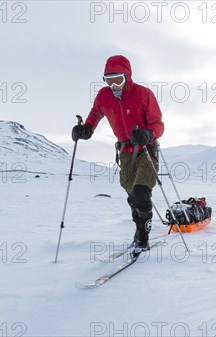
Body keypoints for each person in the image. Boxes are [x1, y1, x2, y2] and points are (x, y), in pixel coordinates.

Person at [71, 55, 164, 253]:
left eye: (118, 80)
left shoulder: (143, 94)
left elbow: (158, 124)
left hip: (146, 150)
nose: (114, 85)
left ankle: (143, 238)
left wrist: (149, 134)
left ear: (127, 77)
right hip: (125, 152)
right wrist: (86, 129)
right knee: (132, 196)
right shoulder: (104, 96)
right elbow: (95, 114)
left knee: (141, 193)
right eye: (109, 80)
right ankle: (138, 231)